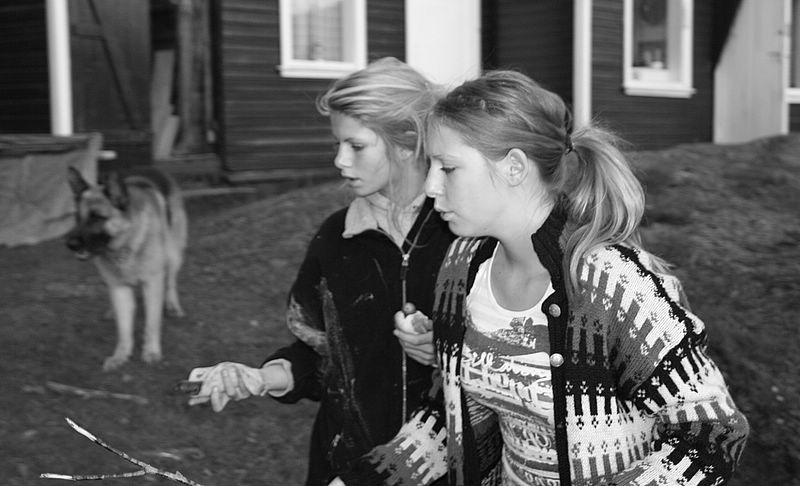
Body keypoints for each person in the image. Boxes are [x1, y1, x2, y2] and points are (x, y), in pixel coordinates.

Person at [334, 70, 749, 485]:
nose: (430, 186)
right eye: (431, 166)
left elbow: (712, 434)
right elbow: (450, 416)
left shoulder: (612, 284)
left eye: (448, 168)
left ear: (514, 167)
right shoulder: (463, 267)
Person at [183, 57, 453, 485]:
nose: (340, 160)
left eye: (356, 146)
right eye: (337, 144)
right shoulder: (336, 238)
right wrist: (258, 378)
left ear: (406, 142)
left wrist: (447, 347)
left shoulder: (461, 235)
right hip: (340, 467)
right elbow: (321, 354)